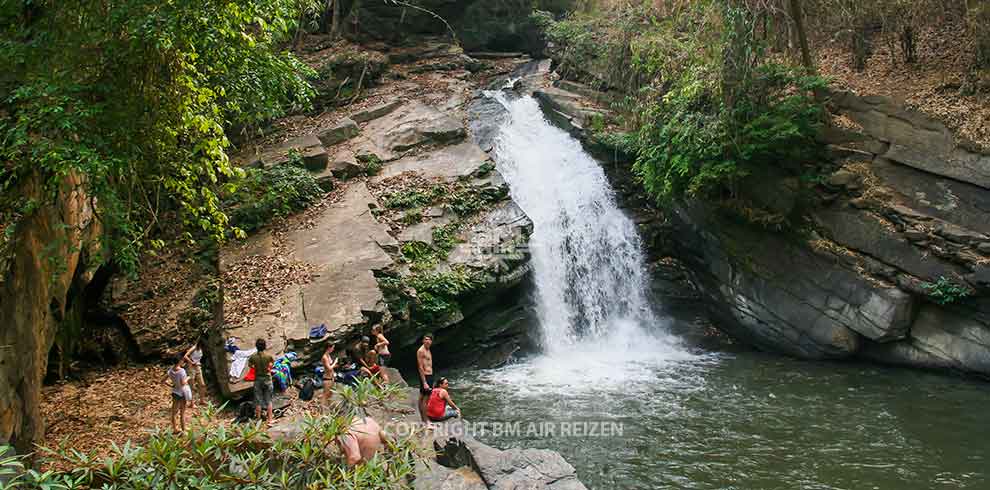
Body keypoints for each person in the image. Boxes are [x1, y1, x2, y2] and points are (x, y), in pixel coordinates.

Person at [247, 338, 275, 426]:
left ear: (256, 347)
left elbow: (250, 365)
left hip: (258, 379)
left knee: (258, 400)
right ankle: (270, 420)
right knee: (269, 400)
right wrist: (268, 368)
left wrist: (256, 368)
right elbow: (271, 364)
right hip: (267, 379)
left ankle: (258, 420)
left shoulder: (253, 357)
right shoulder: (268, 356)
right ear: (265, 346)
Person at [166, 354, 192, 432]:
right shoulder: (181, 371)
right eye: (182, 360)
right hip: (182, 392)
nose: (183, 362)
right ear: (180, 361)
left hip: (175, 392)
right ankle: (184, 429)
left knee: (174, 412)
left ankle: (175, 428)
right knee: (182, 412)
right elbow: (183, 383)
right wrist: (188, 377)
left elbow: (163, 381)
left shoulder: (170, 371)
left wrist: (171, 385)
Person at [416, 334, 434, 423]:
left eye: (429, 340)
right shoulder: (421, 351)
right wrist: (424, 382)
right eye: (426, 339)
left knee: (422, 397)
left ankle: (422, 419)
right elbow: (420, 367)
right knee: (426, 399)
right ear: (423, 341)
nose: (428, 341)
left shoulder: (428, 349)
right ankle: (426, 420)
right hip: (425, 376)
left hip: (430, 375)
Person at [183, 342, 206, 408]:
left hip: (198, 367)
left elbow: (198, 358)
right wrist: (192, 362)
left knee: (202, 385)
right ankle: (192, 403)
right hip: (191, 367)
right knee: (192, 386)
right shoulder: (194, 348)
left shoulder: (201, 348)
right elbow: (185, 356)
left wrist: (198, 363)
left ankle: (202, 400)